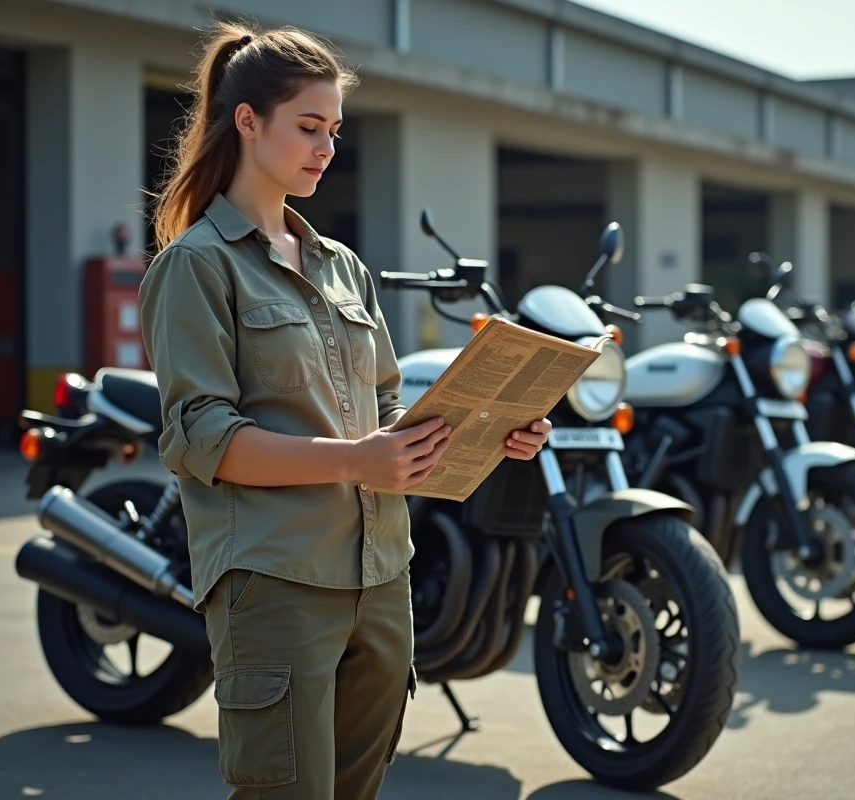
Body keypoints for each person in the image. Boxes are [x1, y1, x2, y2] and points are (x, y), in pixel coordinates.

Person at [139, 21, 550, 799]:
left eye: (334, 130)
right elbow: (201, 437)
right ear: (248, 121)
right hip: (276, 579)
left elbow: (385, 409)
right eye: (308, 127)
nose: (326, 147)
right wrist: (356, 461)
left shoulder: (344, 268)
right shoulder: (196, 265)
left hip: (381, 575)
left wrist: (494, 431)